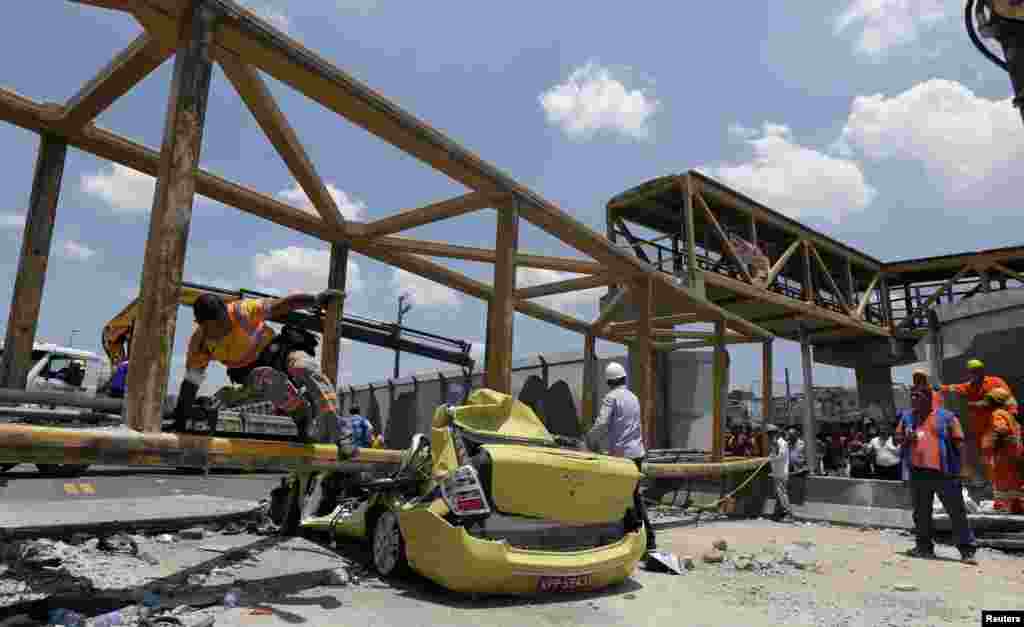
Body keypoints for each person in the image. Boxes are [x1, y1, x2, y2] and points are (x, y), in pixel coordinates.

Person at [169, 290, 354, 458]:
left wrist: (315, 299)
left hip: (276, 352)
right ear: (202, 326)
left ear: (226, 313)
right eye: (215, 328)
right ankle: (301, 416)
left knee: (304, 367)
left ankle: (339, 430)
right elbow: (192, 380)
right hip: (250, 372)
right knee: (266, 377)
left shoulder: (242, 311)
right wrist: (181, 417)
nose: (222, 330)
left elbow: (282, 304)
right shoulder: (200, 343)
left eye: (224, 323)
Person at [895, 382, 977, 563]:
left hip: (945, 473)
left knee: (956, 511)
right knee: (921, 513)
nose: (914, 398)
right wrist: (905, 439)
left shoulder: (947, 417)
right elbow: (897, 440)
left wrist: (964, 468)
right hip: (918, 472)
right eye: (912, 395)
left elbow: (960, 443)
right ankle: (923, 547)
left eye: (918, 395)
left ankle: (967, 551)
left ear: (929, 397)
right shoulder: (907, 417)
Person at [585, 362, 657, 556]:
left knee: (627, 496)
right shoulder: (633, 397)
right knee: (630, 496)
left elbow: (601, 424)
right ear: (624, 378)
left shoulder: (611, 398)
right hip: (636, 454)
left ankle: (646, 540)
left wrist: (589, 440)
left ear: (609, 382)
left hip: (622, 457)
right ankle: (635, 538)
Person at [937, 359, 1018, 483]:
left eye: (978, 370)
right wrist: (940, 388)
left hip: (999, 426)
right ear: (970, 373)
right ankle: (993, 483)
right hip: (982, 431)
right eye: (973, 372)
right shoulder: (969, 386)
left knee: (1004, 456)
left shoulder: (995, 382)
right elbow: (954, 388)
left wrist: (1012, 414)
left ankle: (1008, 483)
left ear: (982, 370)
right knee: (987, 459)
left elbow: (1009, 398)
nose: (976, 373)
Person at [983, 388, 1024, 514]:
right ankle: (1016, 506)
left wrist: (992, 443)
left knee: (1004, 482)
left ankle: (1003, 506)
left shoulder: (998, 413)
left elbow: (1001, 429)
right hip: (1014, 452)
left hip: (1004, 454)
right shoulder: (1009, 415)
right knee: (1014, 481)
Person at [765, 424, 793, 522]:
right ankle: (780, 514)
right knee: (780, 495)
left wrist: (770, 459)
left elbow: (780, 456)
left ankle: (789, 514)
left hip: (781, 473)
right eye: (769, 434)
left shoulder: (782, 443)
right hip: (777, 473)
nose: (769, 436)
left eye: (771, 434)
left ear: (776, 433)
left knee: (782, 494)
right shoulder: (775, 443)